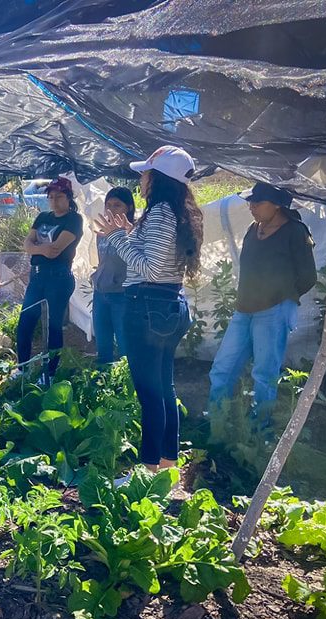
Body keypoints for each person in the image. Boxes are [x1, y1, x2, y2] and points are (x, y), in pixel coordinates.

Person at [95, 145, 203, 478]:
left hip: (147, 308)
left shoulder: (159, 213)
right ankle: (168, 467)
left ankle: (148, 470)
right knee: (164, 388)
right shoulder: (176, 212)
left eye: (145, 173)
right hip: (168, 306)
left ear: (157, 178)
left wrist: (116, 238)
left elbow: (152, 268)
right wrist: (129, 233)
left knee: (149, 392)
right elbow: (161, 260)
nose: (140, 179)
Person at [208, 182, 317, 426]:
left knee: (264, 374)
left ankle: (259, 429)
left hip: (273, 312)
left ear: (277, 205)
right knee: (222, 368)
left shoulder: (295, 231)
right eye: (250, 200)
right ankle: (215, 423)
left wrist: (281, 296)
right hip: (244, 309)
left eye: (258, 201)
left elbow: (308, 277)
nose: (251, 205)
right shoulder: (252, 229)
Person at [15, 176, 84, 381]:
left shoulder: (73, 219)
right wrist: (40, 249)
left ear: (68, 198)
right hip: (37, 276)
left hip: (59, 277)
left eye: (59, 196)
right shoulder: (43, 216)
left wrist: (38, 249)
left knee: (53, 326)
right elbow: (26, 245)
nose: (54, 201)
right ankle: (22, 369)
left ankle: (50, 373)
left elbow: (55, 251)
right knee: (26, 321)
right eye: (51, 197)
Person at [91, 187, 135, 363]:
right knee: (103, 345)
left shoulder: (134, 232)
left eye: (117, 205)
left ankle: (128, 386)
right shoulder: (102, 234)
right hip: (101, 293)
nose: (111, 209)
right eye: (108, 205)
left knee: (125, 346)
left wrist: (128, 234)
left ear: (129, 208)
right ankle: (104, 385)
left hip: (122, 295)